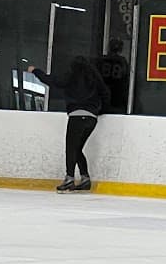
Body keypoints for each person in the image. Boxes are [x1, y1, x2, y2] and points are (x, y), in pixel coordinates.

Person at [27, 56, 110, 192]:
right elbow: (105, 93)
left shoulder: (72, 75)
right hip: (91, 118)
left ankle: (69, 179)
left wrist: (36, 71)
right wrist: (100, 110)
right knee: (77, 149)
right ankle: (85, 179)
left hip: (77, 115)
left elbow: (54, 81)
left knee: (71, 148)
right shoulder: (95, 77)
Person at [97, 39, 130, 114]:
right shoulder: (122, 61)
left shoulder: (101, 60)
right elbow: (126, 77)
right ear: (121, 49)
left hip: (103, 91)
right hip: (117, 92)